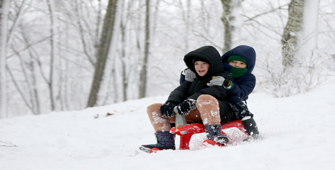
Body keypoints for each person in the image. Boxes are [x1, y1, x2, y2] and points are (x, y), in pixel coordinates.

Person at [140, 46, 235, 152]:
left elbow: (213, 91)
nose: (200, 67)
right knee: (154, 108)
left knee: (205, 98)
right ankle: (165, 143)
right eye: (196, 64)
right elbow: (179, 91)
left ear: (212, 64)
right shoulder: (193, 80)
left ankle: (215, 135)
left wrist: (191, 101)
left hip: (216, 112)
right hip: (195, 114)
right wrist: (170, 103)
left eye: (204, 63)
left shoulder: (222, 78)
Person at [180, 45, 260, 139]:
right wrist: (188, 73)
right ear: (227, 61)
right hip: (214, 101)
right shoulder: (217, 70)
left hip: (233, 108)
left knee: (235, 99)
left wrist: (228, 84)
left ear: (248, 66)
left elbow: (242, 93)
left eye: (241, 63)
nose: (237, 65)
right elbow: (193, 84)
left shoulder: (248, 78)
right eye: (234, 62)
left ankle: (252, 130)